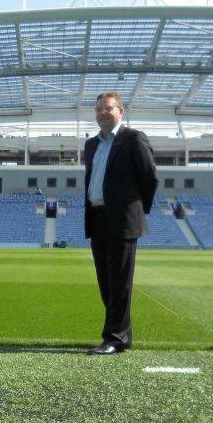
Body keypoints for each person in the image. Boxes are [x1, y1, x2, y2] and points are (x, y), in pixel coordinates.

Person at [83, 92, 158, 355]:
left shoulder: (133, 139)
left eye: (109, 108)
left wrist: (135, 211)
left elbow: (150, 178)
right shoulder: (91, 145)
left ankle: (115, 338)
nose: (103, 113)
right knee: (106, 282)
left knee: (119, 283)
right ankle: (120, 335)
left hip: (123, 220)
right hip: (97, 217)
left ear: (120, 111)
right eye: (99, 109)